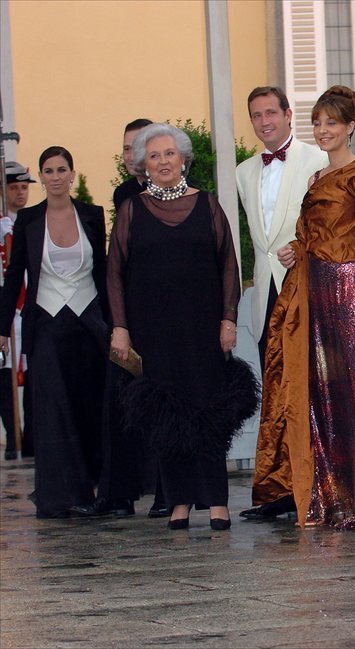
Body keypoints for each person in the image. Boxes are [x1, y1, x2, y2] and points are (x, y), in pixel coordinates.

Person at [107, 123, 258, 531]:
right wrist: (120, 329)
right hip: (152, 330)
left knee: (207, 412)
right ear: (143, 165)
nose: (162, 162)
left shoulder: (207, 205)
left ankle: (216, 503)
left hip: (203, 327)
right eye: (153, 156)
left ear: (183, 159)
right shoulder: (131, 210)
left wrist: (229, 318)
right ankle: (178, 502)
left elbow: (229, 262)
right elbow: (115, 273)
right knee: (167, 415)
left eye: (168, 154)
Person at [261, 86, 355, 529]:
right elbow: (314, 230)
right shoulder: (317, 179)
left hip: (351, 291)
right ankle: (328, 494)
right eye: (317, 123)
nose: (323, 131)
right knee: (322, 394)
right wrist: (298, 248)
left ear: (351, 126)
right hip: (315, 290)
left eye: (331, 123)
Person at [0, 146, 108, 518]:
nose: (56, 176)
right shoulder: (28, 220)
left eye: (62, 169)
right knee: (51, 408)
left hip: (89, 319)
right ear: (42, 177)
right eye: (49, 170)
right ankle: (60, 492)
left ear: (72, 174)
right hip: (45, 320)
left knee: (89, 404)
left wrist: (117, 324)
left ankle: (97, 487)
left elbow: (104, 271)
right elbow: (15, 275)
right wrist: (1, 328)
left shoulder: (93, 216)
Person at [237, 86, 328, 522]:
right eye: (256, 115)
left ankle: (311, 489)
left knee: (307, 389)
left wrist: (303, 246)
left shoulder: (318, 159)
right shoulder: (242, 173)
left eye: (271, 112)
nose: (264, 121)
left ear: (289, 115)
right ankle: (277, 490)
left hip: (306, 286)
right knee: (274, 394)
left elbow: (333, 222)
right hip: (266, 293)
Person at [1, 161, 34, 461]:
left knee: (33, 374)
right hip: (7, 310)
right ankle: (14, 437)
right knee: (6, 374)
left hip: (29, 309)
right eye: (14, 188)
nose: (21, 193)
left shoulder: (30, 220)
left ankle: (32, 438)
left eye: (24, 188)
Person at [112, 118, 153, 213]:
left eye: (137, 148)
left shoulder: (179, 190)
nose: (131, 157)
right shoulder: (122, 193)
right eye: (127, 149)